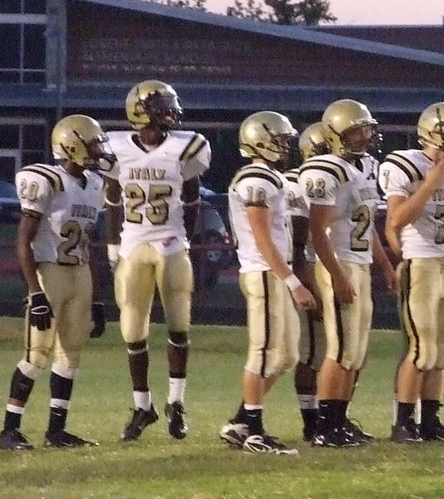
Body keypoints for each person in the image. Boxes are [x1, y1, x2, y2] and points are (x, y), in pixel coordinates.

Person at [103, 80, 211, 442]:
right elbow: (113, 200)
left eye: (169, 105)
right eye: (162, 106)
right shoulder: (116, 147)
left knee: (179, 325)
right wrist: (112, 245)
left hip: (170, 244)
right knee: (133, 331)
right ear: (141, 112)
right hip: (134, 245)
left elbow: (193, 199)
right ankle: (142, 405)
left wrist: (183, 237)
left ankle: (176, 404)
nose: (170, 112)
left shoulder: (186, 148)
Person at [0, 115, 112, 450]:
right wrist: (34, 292)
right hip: (50, 272)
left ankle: (56, 430)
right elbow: (23, 242)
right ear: (72, 145)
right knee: (37, 354)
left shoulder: (93, 184)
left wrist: (96, 298)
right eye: (92, 143)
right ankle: (9, 429)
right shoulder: (48, 180)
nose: (98, 150)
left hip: (79, 273)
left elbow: (88, 245)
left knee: (71, 354)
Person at [380, 101, 444, 443]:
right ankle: (403, 422)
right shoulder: (406, 164)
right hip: (420, 262)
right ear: (433, 132)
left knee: (443, 349)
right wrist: (430, 183)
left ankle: (431, 421)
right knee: (421, 348)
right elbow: (395, 220)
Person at [217, 111, 318, 455]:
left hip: (273, 272)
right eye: (280, 140)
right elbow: (262, 239)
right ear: (259, 140)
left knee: (286, 355)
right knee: (262, 353)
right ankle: (254, 432)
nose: (285, 146)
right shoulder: (255, 179)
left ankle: (241, 421)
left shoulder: (268, 177)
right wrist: (293, 281)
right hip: (264, 272)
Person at [300, 99, 395, 447]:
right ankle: (325, 428)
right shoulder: (327, 169)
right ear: (337, 135)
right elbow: (317, 231)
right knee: (339, 350)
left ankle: (339, 421)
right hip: (339, 263)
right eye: (356, 131)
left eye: (367, 128)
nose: (365, 136)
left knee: (356, 353)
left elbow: (367, 224)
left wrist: (384, 264)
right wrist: (337, 274)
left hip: (360, 263)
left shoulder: (367, 166)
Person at [284, 123, 329, 442]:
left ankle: (328, 418)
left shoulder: (345, 174)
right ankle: (312, 422)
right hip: (308, 268)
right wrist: (304, 283)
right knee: (311, 352)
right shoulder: (298, 182)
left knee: (332, 351)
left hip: (326, 266)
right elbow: (298, 243)